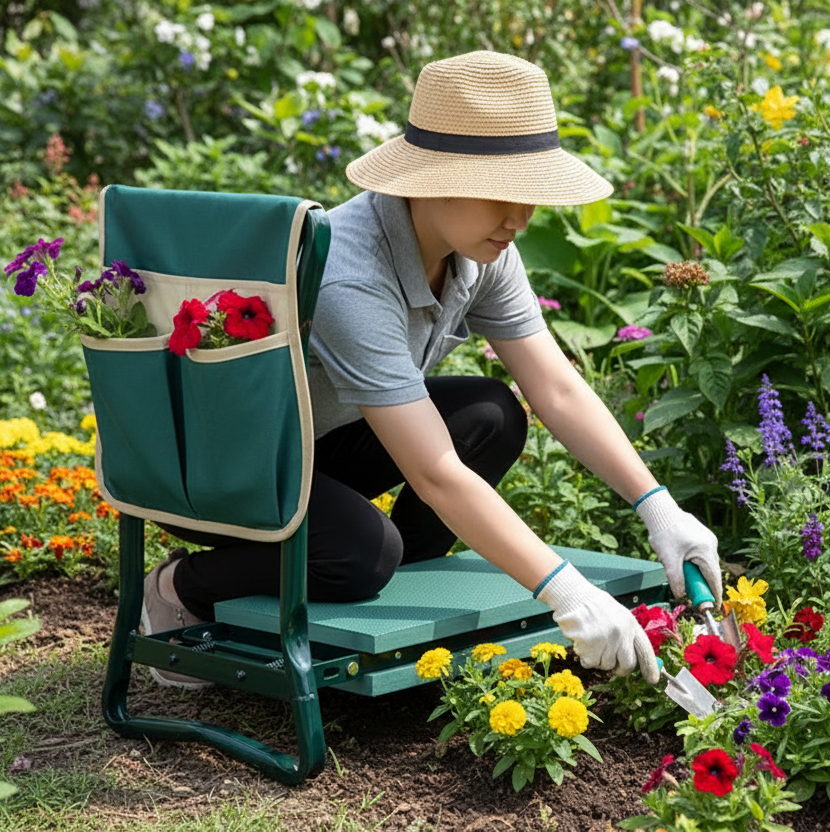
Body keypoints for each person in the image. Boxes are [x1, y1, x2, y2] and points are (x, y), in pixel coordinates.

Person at [140, 50, 722, 690]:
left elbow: (554, 386)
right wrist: (567, 590)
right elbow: (434, 471)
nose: (520, 218)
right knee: (361, 554)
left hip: (311, 443)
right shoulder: (350, 274)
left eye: (531, 197)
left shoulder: (484, 249)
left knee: (491, 415)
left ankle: (383, 594)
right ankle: (180, 591)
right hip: (221, 469)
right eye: (502, 194)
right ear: (430, 176)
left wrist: (658, 507)